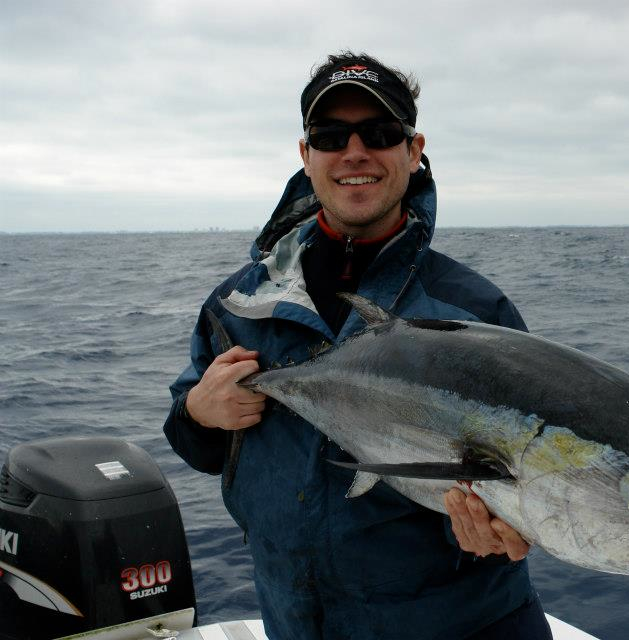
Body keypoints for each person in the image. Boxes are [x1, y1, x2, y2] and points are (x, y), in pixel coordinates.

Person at [163, 52, 553, 640]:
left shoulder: (474, 311)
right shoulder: (237, 305)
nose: (354, 152)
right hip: (295, 623)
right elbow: (194, 444)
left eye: (379, 133)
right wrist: (199, 413)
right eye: (330, 136)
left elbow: (532, 476)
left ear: (414, 150)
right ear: (305, 154)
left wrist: (504, 530)